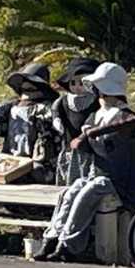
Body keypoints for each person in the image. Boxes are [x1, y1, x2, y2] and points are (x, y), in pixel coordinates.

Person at [36, 62, 135, 264]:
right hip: (97, 173)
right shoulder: (96, 115)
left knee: (87, 193)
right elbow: (85, 143)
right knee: (70, 192)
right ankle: (52, 237)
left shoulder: (126, 117)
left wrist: (93, 134)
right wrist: (83, 139)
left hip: (118, 179)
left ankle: (69, 245)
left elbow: (119, 138)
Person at [0, 61, 60, 183]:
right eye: (24, 87)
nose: (27, 91)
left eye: (30, 87)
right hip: (11, 159)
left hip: (37, 163)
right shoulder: (11, 107)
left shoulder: (47, 108)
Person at [49, 55, 101, 184]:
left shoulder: (96, 101)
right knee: (68, 172)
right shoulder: (64, 100)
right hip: (68, 145)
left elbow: (96, 117)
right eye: (73, 83)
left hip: (89, 147)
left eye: (82, 83)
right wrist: (57, 121)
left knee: (86, 174)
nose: (77, 87)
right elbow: (55, 110)